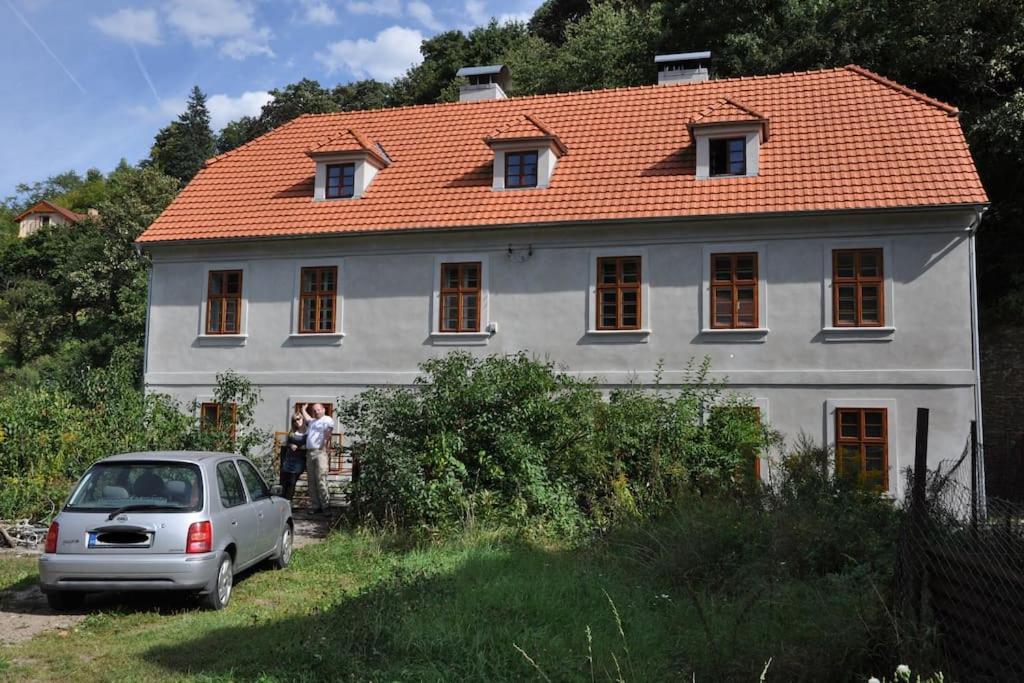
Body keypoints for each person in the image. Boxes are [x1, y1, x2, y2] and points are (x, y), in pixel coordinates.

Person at [300, 402, 335, 514]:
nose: (316, 412)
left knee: (321, 479)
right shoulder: (313, 422)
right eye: (314, 410)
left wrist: (323, 445)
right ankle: (316, 506)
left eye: (318, 409)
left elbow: (328, 432)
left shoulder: (327, 419)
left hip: (320, 452)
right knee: (312, 481)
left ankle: (326, 507)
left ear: (323, 409)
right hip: (310, 453)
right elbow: (307, 417)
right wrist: (303, 409)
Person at [279, 413, 307, 501]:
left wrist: (303, 447)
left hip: (299, 461)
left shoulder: (307, 432)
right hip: (288, 460)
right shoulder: (293, 432)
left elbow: (311, 444)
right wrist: (290, 445)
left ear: (303, 419)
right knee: (284, 482)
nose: (297, 422)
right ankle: (283, 503)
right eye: (294, 420)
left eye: (298, 419)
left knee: (292, 482)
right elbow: (286, 443)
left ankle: (288, 502)